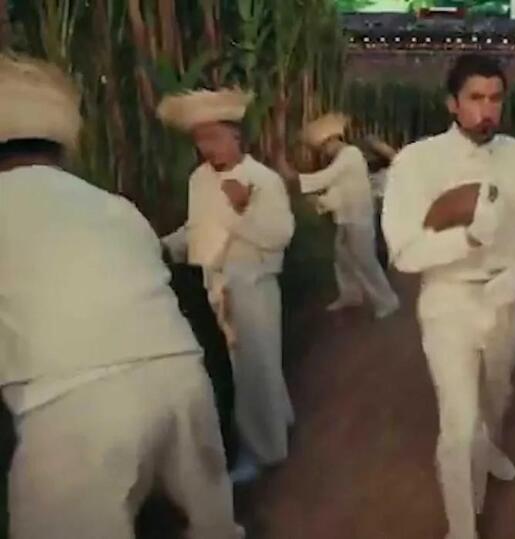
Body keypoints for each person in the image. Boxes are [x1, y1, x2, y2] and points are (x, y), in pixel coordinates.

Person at [0, 54, 240, 538]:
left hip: (74, 401)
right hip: (181, 376)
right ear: (60, 147)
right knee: (212, 526)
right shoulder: (114, 205)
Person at [381, 54, 515, 539]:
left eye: (495, 98)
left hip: (507, 297)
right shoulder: (416, 162)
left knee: (497, 394)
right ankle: (462, 529)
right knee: (459, 424)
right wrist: (467, 239)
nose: (487, 109)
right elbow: (404, 252)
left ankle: (491, 445)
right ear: (453, 103)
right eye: (475, 98)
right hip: (448, 299)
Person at [157, 88, 295, 483]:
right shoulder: (200, 179)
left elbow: (278, 236)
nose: (207, 148)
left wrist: (240, 212)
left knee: (255, 368)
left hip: (252, 286)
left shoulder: (262, 180)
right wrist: (164, 245)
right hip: (212, 285)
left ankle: (266, 451)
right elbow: (197, 228)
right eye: (200, 140)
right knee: (236, 368)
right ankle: (275, 423)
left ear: (236, 136)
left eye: (215, 137)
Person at [278, 114, 400, 319]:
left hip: (358, 218)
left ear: (331, 141)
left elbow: (325, 179)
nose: (323, 152)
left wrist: (295, 179)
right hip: (346, 217)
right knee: (343, 257)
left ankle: (387, 300)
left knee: (365, 260)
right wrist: (321, 201)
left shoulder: (350, 154)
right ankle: (351, 294)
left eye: (323, 147)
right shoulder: (344, 158)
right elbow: (339, 191)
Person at [366, 135, 398, 268]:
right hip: (376, 204)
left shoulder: (390, 165)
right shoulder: (370, 168)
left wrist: (374, 143)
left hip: (383, 203)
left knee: (382, 236)